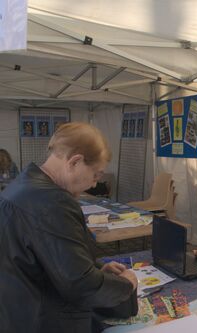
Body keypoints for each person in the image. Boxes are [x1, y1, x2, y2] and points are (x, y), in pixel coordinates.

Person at [0, 122, 138, 333]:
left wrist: (95, 269)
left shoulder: (22, 185)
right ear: (75, 162)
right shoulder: (53, 202)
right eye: (96, 175)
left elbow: (45, 260)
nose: (94, 184)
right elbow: (81, 285)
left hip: (17, 312)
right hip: (43, 320)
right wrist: (127, 285)